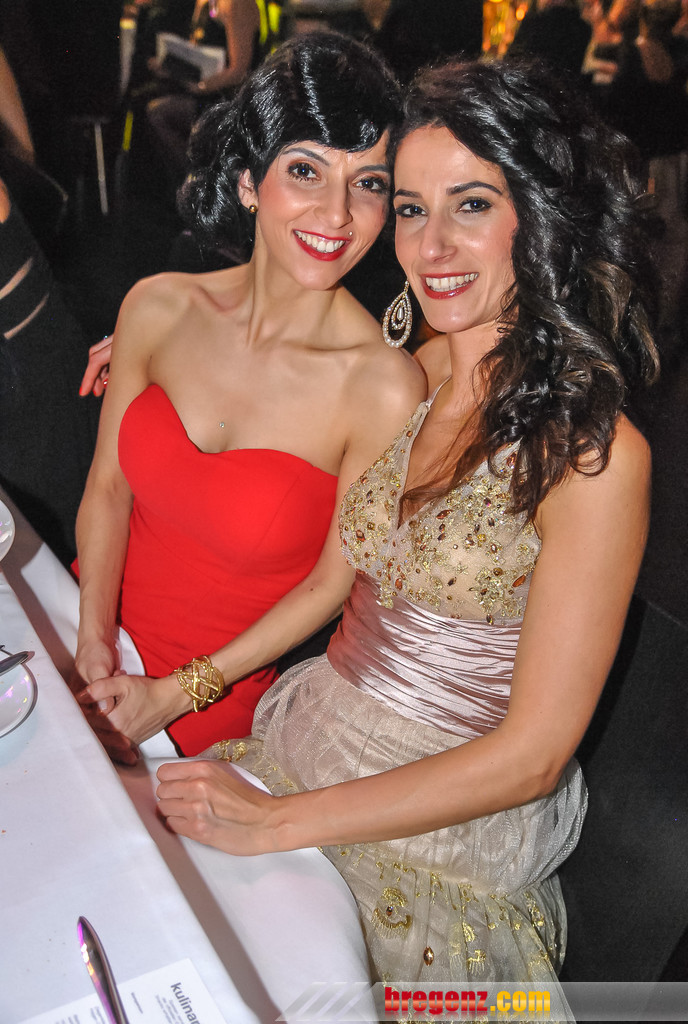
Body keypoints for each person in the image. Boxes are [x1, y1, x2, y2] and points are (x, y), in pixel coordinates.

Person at [155, 59, 659, 987]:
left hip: (436, 839)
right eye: (412, 208)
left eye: (472, 205)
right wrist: (164, 349)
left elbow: (533, 757)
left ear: (538, 214)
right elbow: (276, 367)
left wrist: (277, 824)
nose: (431, 246)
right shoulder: (409, 371)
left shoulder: (594, 455)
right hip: (304, 740)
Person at [74, 33, 424, 763]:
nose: (337, 213)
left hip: (203, 710)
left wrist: (175, 693)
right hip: (80, 627)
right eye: (305, 170)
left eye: (367, 184)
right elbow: (107, 488)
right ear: (246, 181)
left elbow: (330, 584)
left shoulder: (383, 385)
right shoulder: (158, 307)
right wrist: (91, 643)